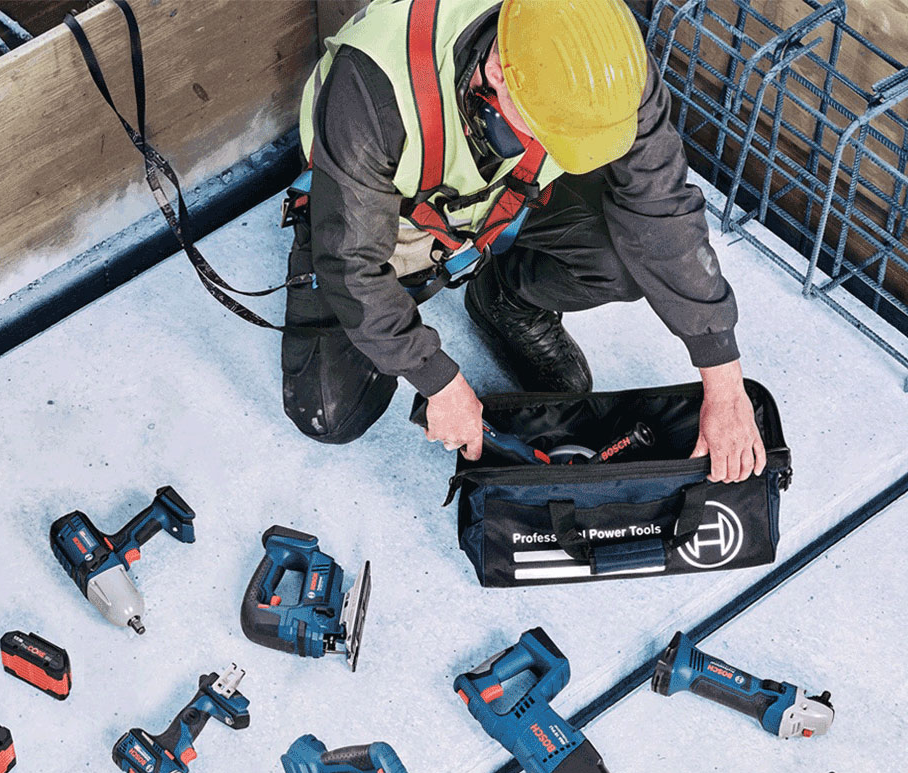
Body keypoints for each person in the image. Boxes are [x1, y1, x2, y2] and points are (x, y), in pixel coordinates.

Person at [280, 0, 766, 482]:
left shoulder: (601, 59)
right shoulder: (375, 83)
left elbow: (662, 206)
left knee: (622, 258)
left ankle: (503, 300)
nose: (558, 144)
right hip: (385, 221)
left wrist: (723, 382)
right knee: (332, 411)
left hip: (504, 202)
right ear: (496, 70)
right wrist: (439, 382)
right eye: (554, 131)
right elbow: (350, 265)